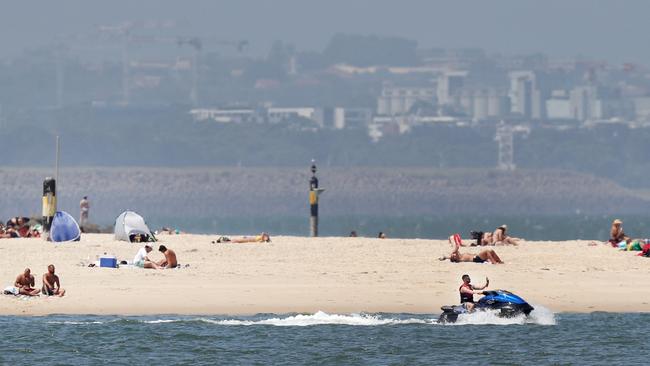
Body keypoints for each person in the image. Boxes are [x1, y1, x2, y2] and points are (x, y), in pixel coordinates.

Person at [439, 243, 504, 264]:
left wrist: (444, 257)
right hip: (476, 259)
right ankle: (494, 262)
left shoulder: (458, 255)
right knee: (487, 251)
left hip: (477, 258)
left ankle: (499, 261)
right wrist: (452, 253)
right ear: (455, 258)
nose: (454, 255)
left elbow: (451, 255)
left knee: (491, 251)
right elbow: (457, 247)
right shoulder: (459, 259)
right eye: (453, 256)